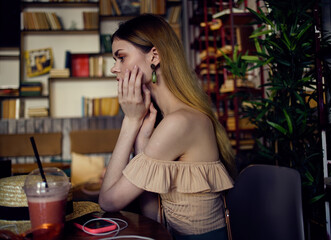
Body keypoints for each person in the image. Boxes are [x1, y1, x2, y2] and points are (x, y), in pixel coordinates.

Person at [99, 14, 237, 240]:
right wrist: (141, 140)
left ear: (154, 56)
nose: (114, 69)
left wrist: (130, 121)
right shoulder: (166, 118)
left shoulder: (180, 122)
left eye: (121, 58)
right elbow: (154, 216)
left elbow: (108, 201)